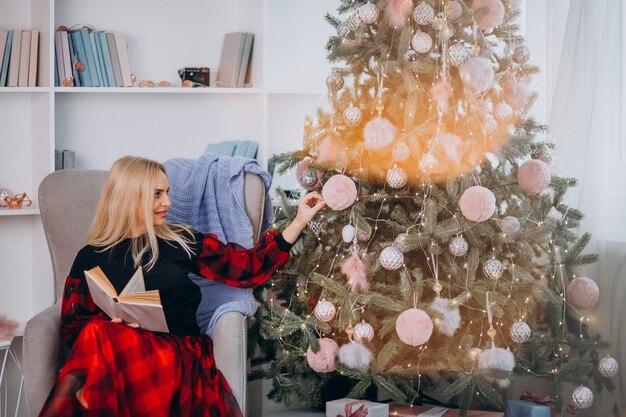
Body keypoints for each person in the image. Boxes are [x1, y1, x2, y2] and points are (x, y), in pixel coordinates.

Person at [38, 156, 326, 417]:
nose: (168, 203)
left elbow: (248, 269)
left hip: (176, 355)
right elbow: (73, 328)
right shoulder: (91, 256)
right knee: (97, 331)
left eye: (168, 193)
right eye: (157, 195)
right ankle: (92, 391)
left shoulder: (181, 240)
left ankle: (86, 397)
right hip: (121, 358)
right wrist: (112, 324)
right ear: (130, 198)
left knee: (99, 350)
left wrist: (299, 221)